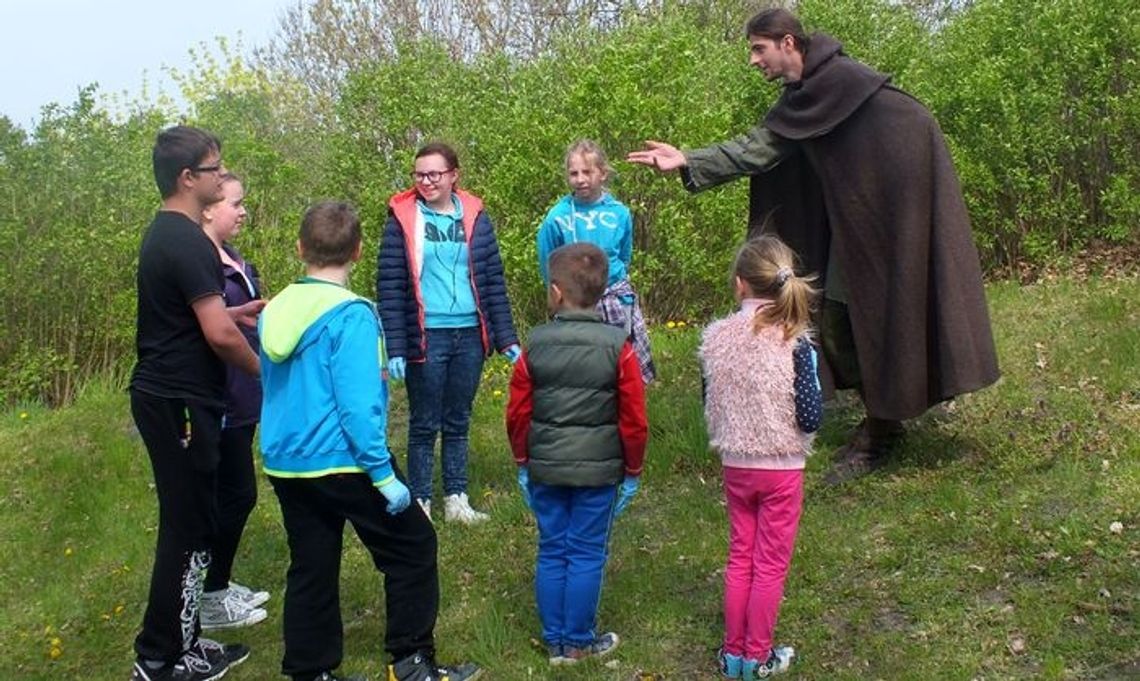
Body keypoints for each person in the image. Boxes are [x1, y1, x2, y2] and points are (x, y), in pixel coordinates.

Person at [627, 8, 999, 482]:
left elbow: (906, 127)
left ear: (787, 43)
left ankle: (884, 426)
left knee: (868, 316)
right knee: (836, 321)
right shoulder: (805, 99)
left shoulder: (843, 81)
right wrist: (689, 161)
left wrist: (903, 202)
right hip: (850, 227)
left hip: (887, 224)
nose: (753, 61)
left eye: (758, 49)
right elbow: (762, 148)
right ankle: (884, 411)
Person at [259, 201, 484, 681]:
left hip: (287, 463)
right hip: (345, 461)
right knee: (413, 549)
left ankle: (310, 671)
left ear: (300, 248)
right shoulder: (353, 315)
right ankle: (412, 662)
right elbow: (358, 407)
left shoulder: (274, 307)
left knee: (311, 565)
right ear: (358, 251)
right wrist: (383, 476)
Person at [129, 125, 263, 681]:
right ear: (189, 179)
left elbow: (193, 321)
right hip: (179, 401)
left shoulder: (172, 234)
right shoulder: (186, 241)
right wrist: (270, 377)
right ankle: (159, 657)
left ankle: (184, 642)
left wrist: (232, 314)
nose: (220, 173)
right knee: (185, 529)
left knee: (195, 522)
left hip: (179, 394)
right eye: (215, 167)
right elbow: (216, 337)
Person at [506, 242, 649, 666]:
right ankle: (578, 642)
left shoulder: (535, 344)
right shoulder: (617, 345)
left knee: (553, 548)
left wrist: (522, 462)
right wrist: (633, 467)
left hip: (546, 466)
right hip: (600, 470)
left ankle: (555, 642)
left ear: (555, 291)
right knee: (586, 551)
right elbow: (634, 417)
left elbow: (517, 412)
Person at [377, 142, 520, 523]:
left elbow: (492, 279)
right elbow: (390, 285)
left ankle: (457, 498)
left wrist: (506, 339)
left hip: (470, 333)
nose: (426, 181)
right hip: (427, 335)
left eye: (434, 174)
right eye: (420, 174)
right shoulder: (402, 218)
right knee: (424, 422)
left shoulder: (474, 215)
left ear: (454, 175)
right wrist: (395, 345)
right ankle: (420, 501)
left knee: (459, 419)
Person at [700, 235, 822, 680]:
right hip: (782, 469)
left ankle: (732, 655)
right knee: (769, 564)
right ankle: (758, 656)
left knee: (739, 557)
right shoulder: (797, 343)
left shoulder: (715, 339)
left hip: (736, 463)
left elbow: (709, 400)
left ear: (739, 285)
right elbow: (810, 416)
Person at [197, 172, 271, 630]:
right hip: (221, 397)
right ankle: (210, 595)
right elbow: (210, 333)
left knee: (235, 492)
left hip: (243, 396)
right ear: (208, 208)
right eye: (236, 204)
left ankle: (217, 584)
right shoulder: (202, 265)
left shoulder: (233, 258)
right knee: (235, 494)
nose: (243, 211)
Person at [536, 139, 655, 384]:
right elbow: (548, 262)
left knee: (622, 367)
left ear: (602, 173)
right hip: (574, 301)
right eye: (573, 173)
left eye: (587, 172)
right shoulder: (557, 217)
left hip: (615, 297)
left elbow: (624, 255)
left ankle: (624, 410)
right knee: (583, 370)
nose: (580, 179)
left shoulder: (620, 213)